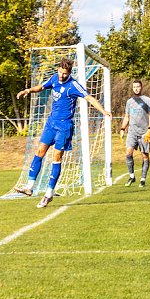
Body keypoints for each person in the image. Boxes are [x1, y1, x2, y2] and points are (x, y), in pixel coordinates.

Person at [15, 57, 112, 207]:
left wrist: (104, 111)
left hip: (64, 127)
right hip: (51, 124)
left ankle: (48, 193)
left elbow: (89, 98)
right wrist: (28, 90)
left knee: (56, 157)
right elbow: (41, 87)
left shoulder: (73, 85)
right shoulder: (54, 79)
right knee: (40, 151)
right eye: (60, 72)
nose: (61, 75)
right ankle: (29, 187)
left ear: (69, 73)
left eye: (64, 73)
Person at [118, 79, 150, 187]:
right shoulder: (129, 102)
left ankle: (143, 179)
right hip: (132, 132)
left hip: (144, 132)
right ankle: (132, 176)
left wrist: (149, 129)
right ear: (132, 88)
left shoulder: (147, 100)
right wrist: (122, 128)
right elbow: (127, 116)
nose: (136, 88)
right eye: (134, 87)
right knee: (128, 153)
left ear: (141, 87)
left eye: (138, 86)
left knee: (145, 156)